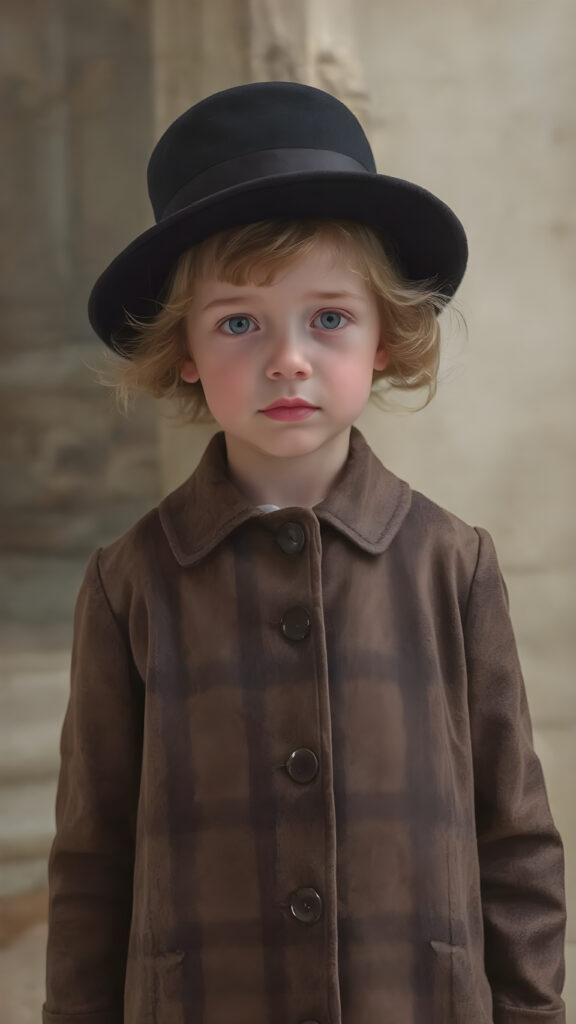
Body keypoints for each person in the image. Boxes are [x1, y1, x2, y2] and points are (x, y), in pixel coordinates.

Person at [43, 82, 566, 1024]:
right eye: (240, 321)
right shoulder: (130, 583)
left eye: (329, 317)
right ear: (189, 351)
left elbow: (517, 840)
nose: (289, 358)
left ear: (384, 340)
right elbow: (91, 859)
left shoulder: (454, 564)